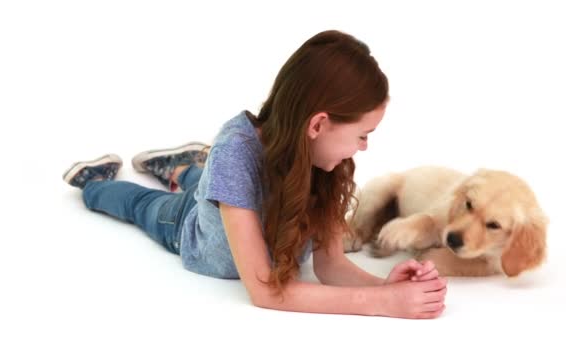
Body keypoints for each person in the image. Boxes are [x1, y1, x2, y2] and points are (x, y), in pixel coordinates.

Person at [63, 30, 447, 319]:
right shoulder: (235, 154)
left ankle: (184, 166)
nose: (364, 147)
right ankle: (95, 182)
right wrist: (384, 304)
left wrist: (387, 286)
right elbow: (266, 292)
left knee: (211, 182)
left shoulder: (326, 161)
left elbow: (329, 265)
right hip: (187, 227)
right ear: (318, 124)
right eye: (362, 135)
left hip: (229, 192)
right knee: (141, 204)